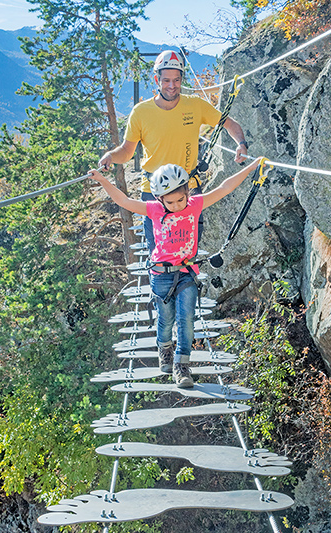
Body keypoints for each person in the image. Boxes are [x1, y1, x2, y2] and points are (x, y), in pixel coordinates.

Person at [88, 157, 265, 388]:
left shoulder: (194, 204)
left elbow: (225, 187)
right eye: (170, 202)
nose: (176, 206)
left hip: (186, 273)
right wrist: (102, 180)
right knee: (166, 320)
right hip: (160, 275)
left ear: (187, 193)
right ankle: (164, 349)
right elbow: (123, 200)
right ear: (159, 199)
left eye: (181, 199)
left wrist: (252, 167)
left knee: (187, 320)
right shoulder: (152, 209)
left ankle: (182, 367)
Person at [98, 50, 249, 253]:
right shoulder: (141, 113)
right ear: (156, 79)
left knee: (189, 250)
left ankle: (186, 284)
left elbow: (229, 124)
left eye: (176, 80)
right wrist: (110, 156)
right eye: (166, 80)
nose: (172, 86)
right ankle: (162, 284)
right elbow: (126, 151)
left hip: (187, 189)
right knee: (159, 252)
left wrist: (241, 143)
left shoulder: (195, 105)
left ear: (181, 80)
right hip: (154, 192)